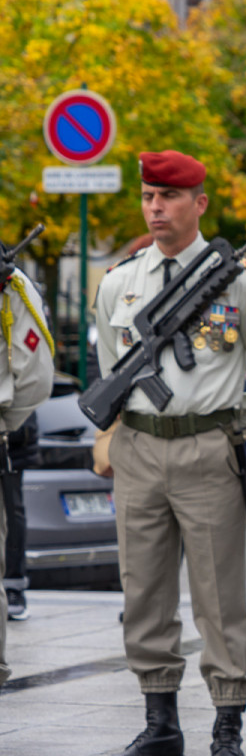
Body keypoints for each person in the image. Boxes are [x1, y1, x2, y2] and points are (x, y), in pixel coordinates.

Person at [95, 150, 246, 756]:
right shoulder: (119, 282)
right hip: (138, 447)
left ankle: (226, 724)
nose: (156, 208)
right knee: (144, 592)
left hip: (209, 449)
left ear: (199, 203)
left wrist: (231, 428)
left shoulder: (240, 280)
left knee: (218, 596)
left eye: (170, 197)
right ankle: (161, 722)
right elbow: (112, 372)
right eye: (149, 197)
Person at [0, 261, 55, 687]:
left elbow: (36, 376)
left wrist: (4, 422)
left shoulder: (11, 282)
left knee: (14, 510)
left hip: (6, 434)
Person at [4, 413, 40, 621]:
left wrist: (10, 421)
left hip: (12, 438)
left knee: (11, 511)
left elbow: (36, 384)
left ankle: (13, 587)